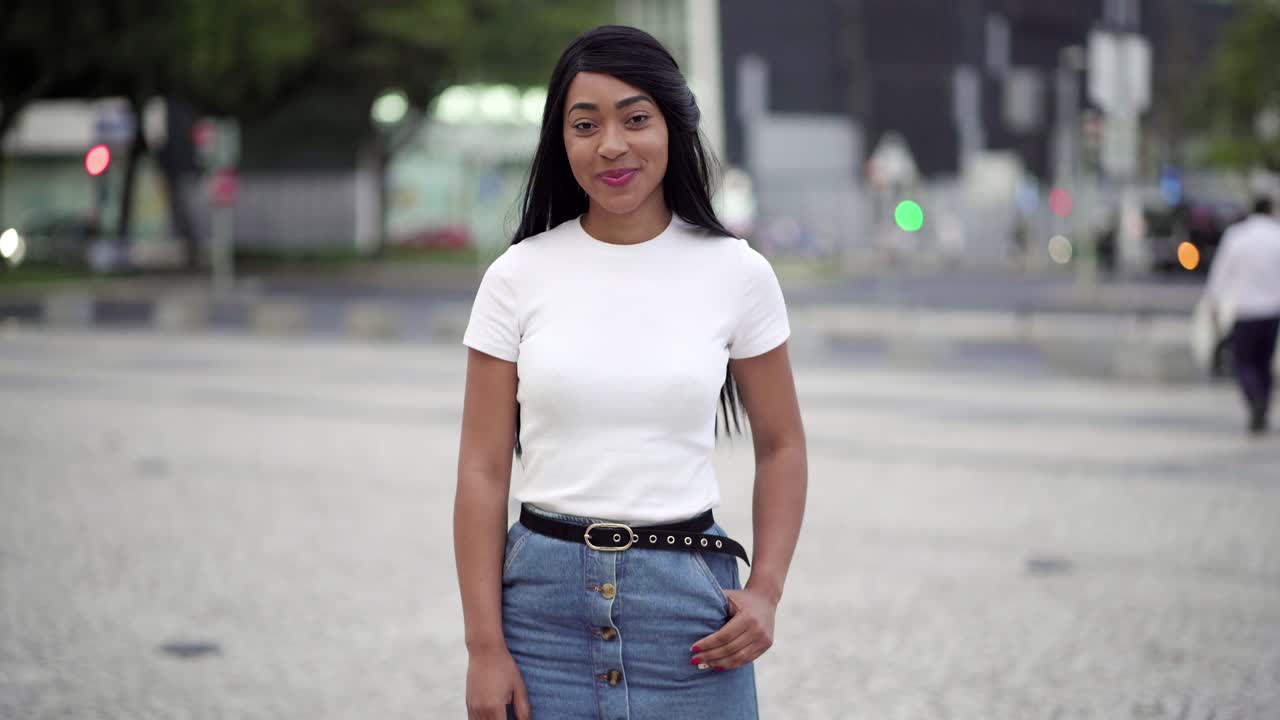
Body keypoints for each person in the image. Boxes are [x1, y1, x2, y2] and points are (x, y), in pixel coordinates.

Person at [453, 25, 807, 720]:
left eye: (635, 119)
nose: (611, 145)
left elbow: (783, 445)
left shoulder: (737, 274)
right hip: (539, 622)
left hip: (691, 620)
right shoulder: (516, 277)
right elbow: (482, 470)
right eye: (585, 125)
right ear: (562, 141)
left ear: (673, 125)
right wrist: (483, 646)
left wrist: (766, 589)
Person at [1205, 195, 1280, 434]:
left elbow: (1220, 272)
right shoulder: (1277, 236)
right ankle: (1263, 403)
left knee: (1243, 362)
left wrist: (1213, 303)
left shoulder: (1237, 236)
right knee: (1264, 362)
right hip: (1272, 310)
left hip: (1246, 310)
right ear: (1271, 210)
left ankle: (1255, 398)